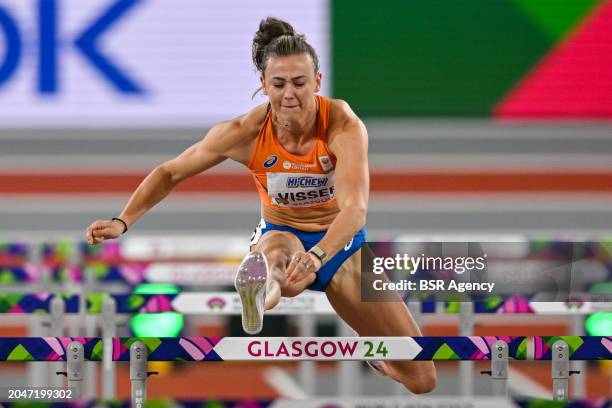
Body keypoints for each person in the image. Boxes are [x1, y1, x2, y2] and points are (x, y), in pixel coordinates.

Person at [86, 17, 436, 394]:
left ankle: (378, 359)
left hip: (341, 244)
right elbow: (170, 173)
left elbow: (355, 210)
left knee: (422, 378)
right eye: (278, 84)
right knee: (277, 264)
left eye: (300, 83)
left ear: (317, 82)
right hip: (280, 232)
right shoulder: (244, 133)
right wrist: (123, 221)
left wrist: (317, 257)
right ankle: (258, 293)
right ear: (263, 85)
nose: (289, 94)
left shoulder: (342, 125)